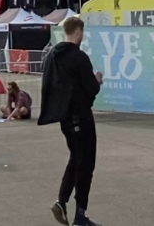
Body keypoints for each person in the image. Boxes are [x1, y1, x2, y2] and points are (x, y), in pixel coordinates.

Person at [39, 16, 102, 226]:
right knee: (86, 164)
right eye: (82, 32)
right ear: (78, 31)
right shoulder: (79, 57)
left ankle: (62, 201)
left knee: (76, 158)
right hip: (81, 116)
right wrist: (97, 80)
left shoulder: (52, 56)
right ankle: (80, 215)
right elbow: (91, 89)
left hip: (65, 118)